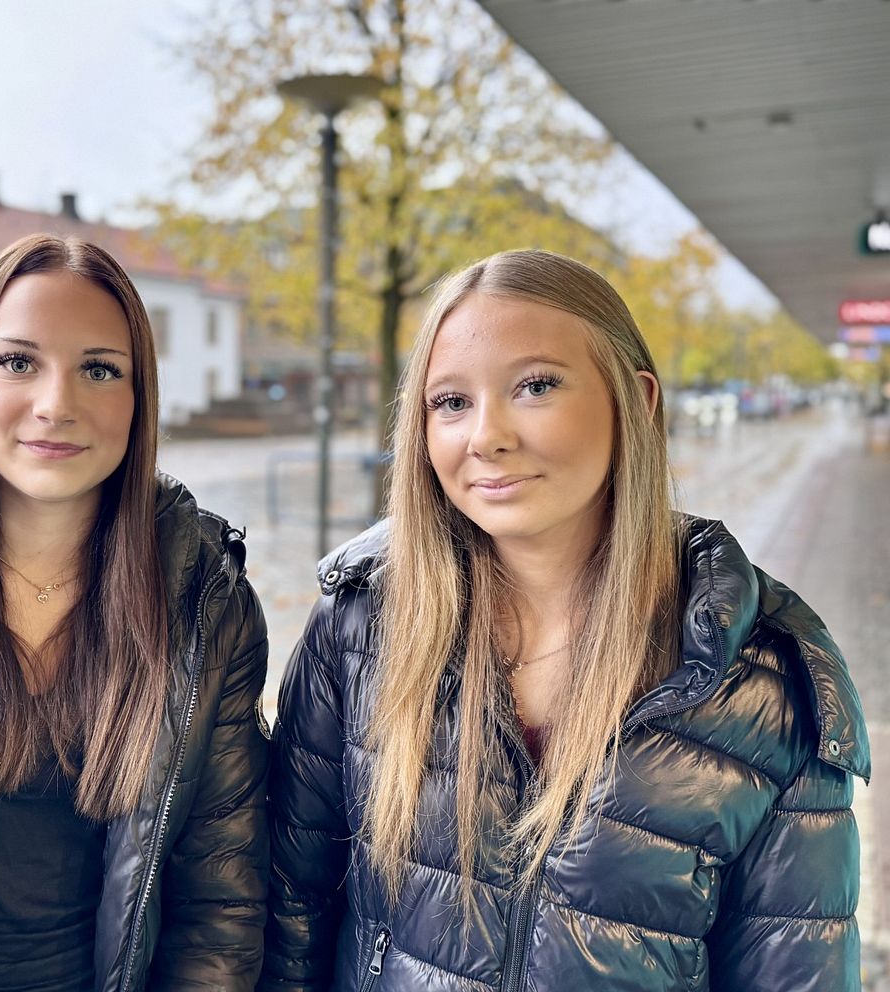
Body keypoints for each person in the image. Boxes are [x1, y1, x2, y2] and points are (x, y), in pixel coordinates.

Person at [259, 249, 869, 992]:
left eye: (536, 386)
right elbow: (292, 918)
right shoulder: (362, 621)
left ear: (635, 400)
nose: (486, 436)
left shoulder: (765, 680)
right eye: (450, 402)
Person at [0, 234, 270, 991]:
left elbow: (220, 905)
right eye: (18, 362)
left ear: (139, 398)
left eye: (98, 369)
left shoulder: (206, 600)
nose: (55, 405)